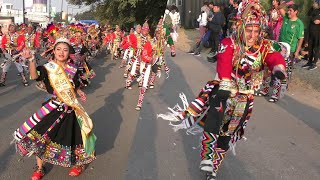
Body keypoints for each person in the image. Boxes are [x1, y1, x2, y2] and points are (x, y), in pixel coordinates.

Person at [158, 0, 286, 179]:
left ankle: (214, 168)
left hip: (245, 99)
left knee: (228, 134)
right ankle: (207, 157)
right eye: (249, 31)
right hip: (224, 91)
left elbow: (274, 56)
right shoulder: (230, 42)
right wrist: (225, 83)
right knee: (213, 122)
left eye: (256, 31)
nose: (253, 35)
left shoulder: (263, 46)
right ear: (241, 28)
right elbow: (224, 61)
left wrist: (278, 68)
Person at [12, 38, 96, 180]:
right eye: (58, 49)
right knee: (40, 137)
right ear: (54, 51)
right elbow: (34, 76)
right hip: (52, 107)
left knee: (73, 137)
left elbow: (74, 86)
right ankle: (39, 168)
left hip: (70, 109)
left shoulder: (74, 69)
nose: (61, 52)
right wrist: (32, 59)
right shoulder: (47, 68)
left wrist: (78, 92)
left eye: (65, 49)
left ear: (69, 53)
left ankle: (79, 163)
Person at [279, 4, 304, 76]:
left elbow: (301, 39)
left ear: (296, 12)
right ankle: (277, 83)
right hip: (280, 46)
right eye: (288, 10)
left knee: (287, 68)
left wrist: (297, 52)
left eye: (291, 10)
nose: (288, 12)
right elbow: (279, 7)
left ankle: (285, 84)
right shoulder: (286, 17)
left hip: (290, 50)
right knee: (278, 66)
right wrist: (286, 3)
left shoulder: (299, 24)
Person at [302, 0, 320, 70]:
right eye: (313, 3)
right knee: (310, 47)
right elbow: (308, 14)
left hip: (318, 33)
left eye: (315, 3)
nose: (313, 4)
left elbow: (316, 21)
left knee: (316, 48)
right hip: (311, 31)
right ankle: (309, 61)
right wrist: (312, 7)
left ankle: (314, 63)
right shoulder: (313, 10)